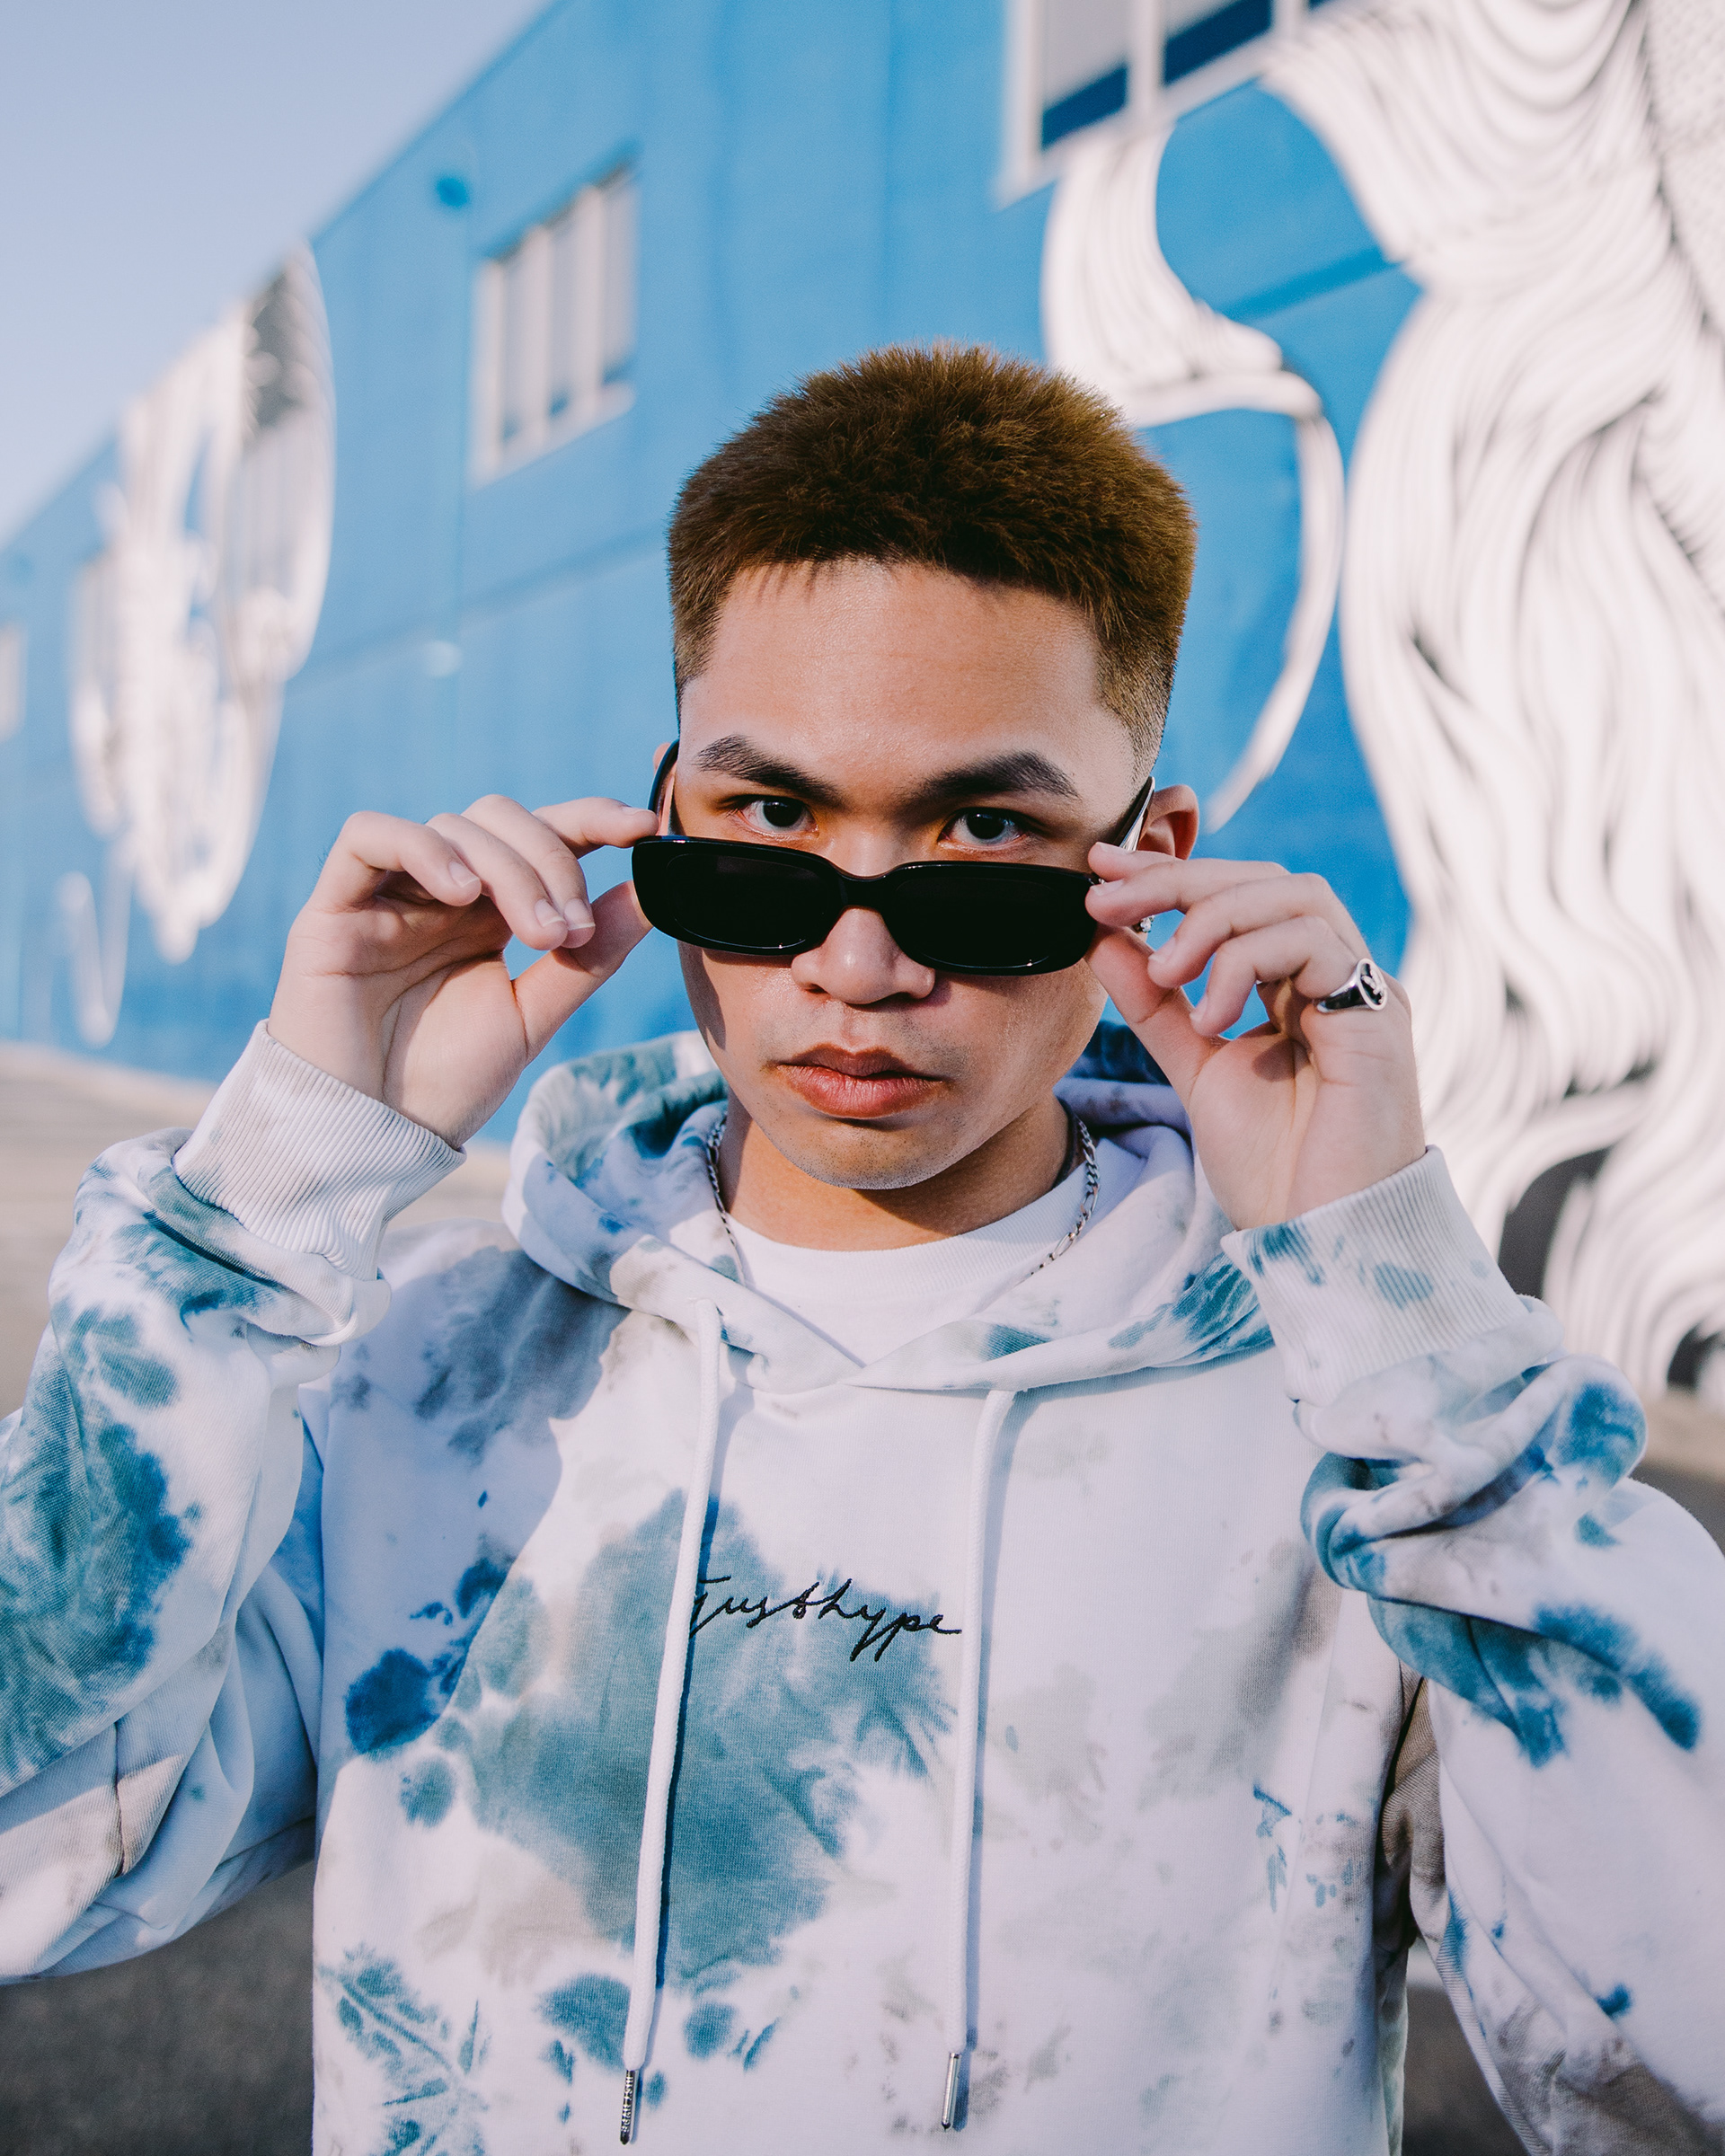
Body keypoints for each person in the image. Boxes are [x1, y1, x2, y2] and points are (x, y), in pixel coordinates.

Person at [2, 348, 1720, 2156]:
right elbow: (41, 1853)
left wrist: (1403, 1309)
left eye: (984, 841)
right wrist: (266, 1194)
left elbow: (1674, 2058)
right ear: (663, 818)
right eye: (769, 831)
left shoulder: (1362, 1452)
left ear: (1149, 861)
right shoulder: (419, 1383)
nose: (858, 964)